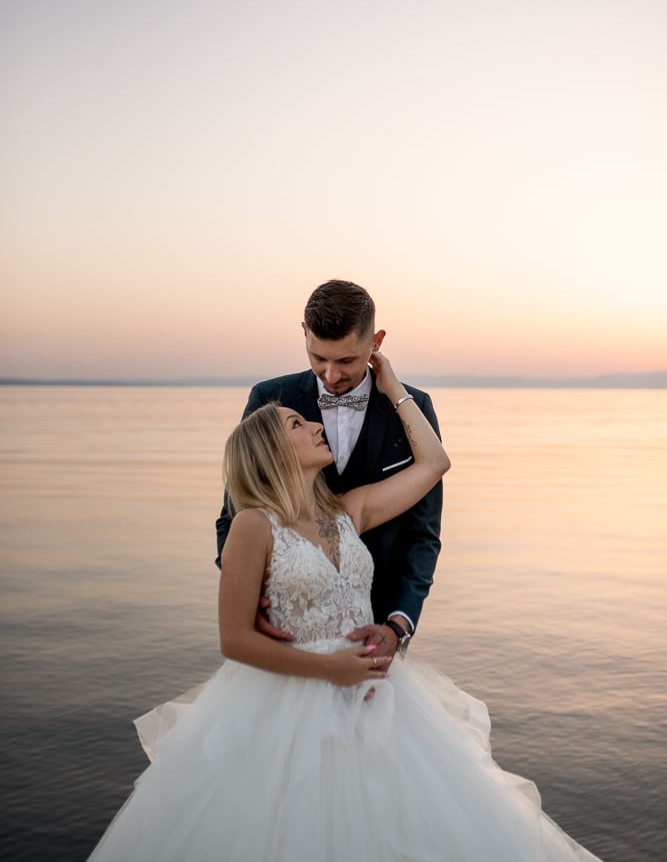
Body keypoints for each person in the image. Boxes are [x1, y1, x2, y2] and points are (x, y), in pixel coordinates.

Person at [89, 350, 603, 862]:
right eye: (296, 423)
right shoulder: (252, 525)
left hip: (380, 700)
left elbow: (436, 463)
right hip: (293, 706)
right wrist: (329, 669)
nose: (315, 423)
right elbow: (235, 639)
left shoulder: (347, 510)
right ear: (272, 450)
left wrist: (394, 388)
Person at [216, 278, 444, 657]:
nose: (332, 375)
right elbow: (235, 511)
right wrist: (248, 597)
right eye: (318, 358)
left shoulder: (412, 407)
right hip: (287, 636)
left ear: (376, 342)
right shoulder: (272, 400)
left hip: (376, 633)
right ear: (304, 334)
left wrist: (398, 626)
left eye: (347, 361)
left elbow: (423, 534)